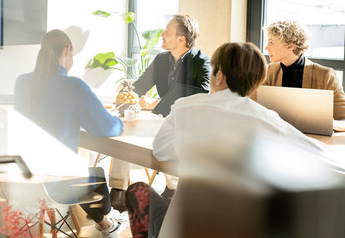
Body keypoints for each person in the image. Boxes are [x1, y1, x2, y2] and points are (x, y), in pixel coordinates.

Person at [126, 42, 345, 238]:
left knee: (138, 191)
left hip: (183, 227)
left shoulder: (185, 107)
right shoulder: (268, 121)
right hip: (240, 227)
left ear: (219, 76)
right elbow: (333, 165)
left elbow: (161, 152)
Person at [15, 29, 128, 238]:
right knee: (95, 175)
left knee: (85, 173)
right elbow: (105, 127)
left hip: (20, 176)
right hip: (56, 185)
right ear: (67, 51)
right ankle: (107, 223)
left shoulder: (22, 82)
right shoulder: (73, 85)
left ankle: (107, 222)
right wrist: (122, 121)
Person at [109, 15, 211, 209]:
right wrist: (128, 94)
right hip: (160, 121)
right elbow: (139, 86)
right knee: (121, 133)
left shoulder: (201, 62)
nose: (162, 35)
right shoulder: (161, 59)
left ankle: (173, 188)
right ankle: (118, 191)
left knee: (168, 137)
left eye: (167, 32)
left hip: (187, 125)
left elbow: (202, 96)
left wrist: (156, 102)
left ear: (182, 39)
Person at [264, 20, 345, 119]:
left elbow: (342, 115)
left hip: (313, 134)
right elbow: (257, 106)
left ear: (290, 46)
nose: (266, 48)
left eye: (271, 42)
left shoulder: (325, 75)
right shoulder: (269, 71)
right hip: (277, 132)